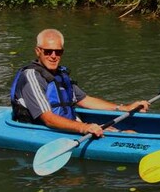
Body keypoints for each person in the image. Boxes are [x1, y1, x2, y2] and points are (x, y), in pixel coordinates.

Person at [9, 28, 151, 137]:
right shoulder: (32, 76)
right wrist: (84, 128)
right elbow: (48, 119)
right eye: (48, 51)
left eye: (58, 52)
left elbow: (84, 99)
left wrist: (124, 108)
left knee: (130, 132)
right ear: (38, 51)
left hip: (69, 126)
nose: (53, 56)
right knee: (127, 134)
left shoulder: (60, 74)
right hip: (45, 131)